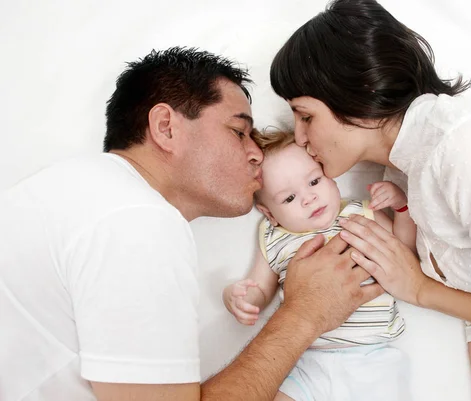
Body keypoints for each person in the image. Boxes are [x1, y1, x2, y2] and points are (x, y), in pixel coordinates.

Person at [0, 47, 384, 401]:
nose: (255, 154)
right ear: (166, 126)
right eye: (238, 132)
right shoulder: (136, 221)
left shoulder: (71, 187)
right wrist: (305, 313)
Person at [269, 1, 471, 400]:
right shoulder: (406, 175)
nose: (301, 139)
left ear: (359, 92)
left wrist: (420, 289)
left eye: (306, 116)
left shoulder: (468, 149)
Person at [222, 130, 416, 401]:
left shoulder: (362, 214)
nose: (308, 198)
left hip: (371, 356)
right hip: (303, 359)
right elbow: (260, 289)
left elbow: (404, 252)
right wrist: (241, 297)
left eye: (314, 181)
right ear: (269, 214)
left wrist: (401, 208)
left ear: (332, 179)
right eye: (289, 198)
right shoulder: (273, 237)